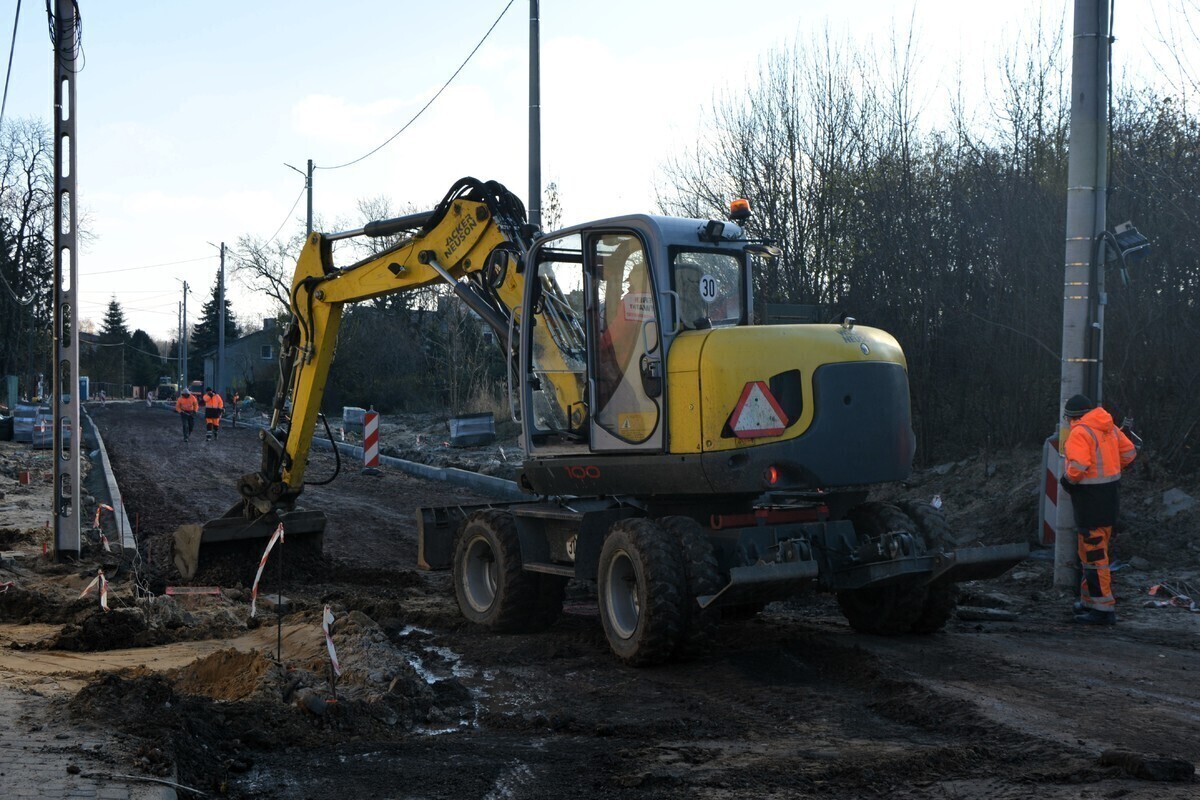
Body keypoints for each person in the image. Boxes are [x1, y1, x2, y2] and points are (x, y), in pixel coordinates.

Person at [1059, 393, 1138, 625]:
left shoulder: (1080, 433)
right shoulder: (1109, 427)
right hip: (1109, 499)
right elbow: (1130, 452)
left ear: (1072, 417)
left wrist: (1067, 481)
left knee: (1094, 557)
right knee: (1091, 553)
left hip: (1089, 502)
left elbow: (1079, 466)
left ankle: (1103, 610)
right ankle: (1089, 602)